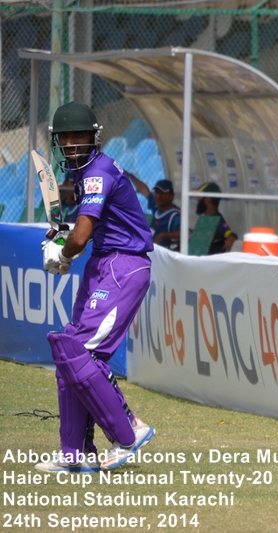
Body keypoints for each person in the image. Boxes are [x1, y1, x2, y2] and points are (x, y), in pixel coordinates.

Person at [36, 101, 155, 473]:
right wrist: (64, 238)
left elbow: (83, 235)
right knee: (71, 351)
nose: (72, 144)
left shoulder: (97, 172)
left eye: (79, 136)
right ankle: (75, 454)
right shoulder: (89, 173)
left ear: (94, 137)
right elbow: (90, 229)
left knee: (82, 351)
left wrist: (65, 253)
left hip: (123, 266)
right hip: (104, 263)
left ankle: (129, 430)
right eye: (66, 137)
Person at [129, 175, 181, 251]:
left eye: (163, 193)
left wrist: (163, 235)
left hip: (163, 257)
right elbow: (144, 190)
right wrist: (129, 175)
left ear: (172, 196)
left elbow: (186, 233)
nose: (159, 196)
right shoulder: (157, 207)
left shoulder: (175, 216)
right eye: (156, 192)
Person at [195, 182, 237, 254]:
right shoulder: (205, 218)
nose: (197, 200)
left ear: (207, 200)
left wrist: (231, 237)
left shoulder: (216, 220)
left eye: (200, 198)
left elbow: (229, 233)